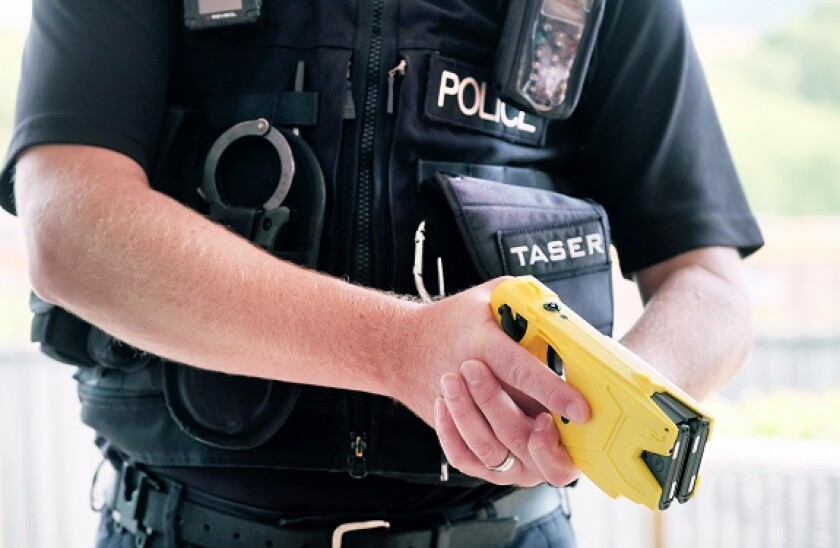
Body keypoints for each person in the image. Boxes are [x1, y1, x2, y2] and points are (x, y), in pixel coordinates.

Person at [1, 0, 764, 546]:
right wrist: (398, 348)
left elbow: (710, 280)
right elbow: (69, 224)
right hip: (177, 525)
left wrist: (599, 403)